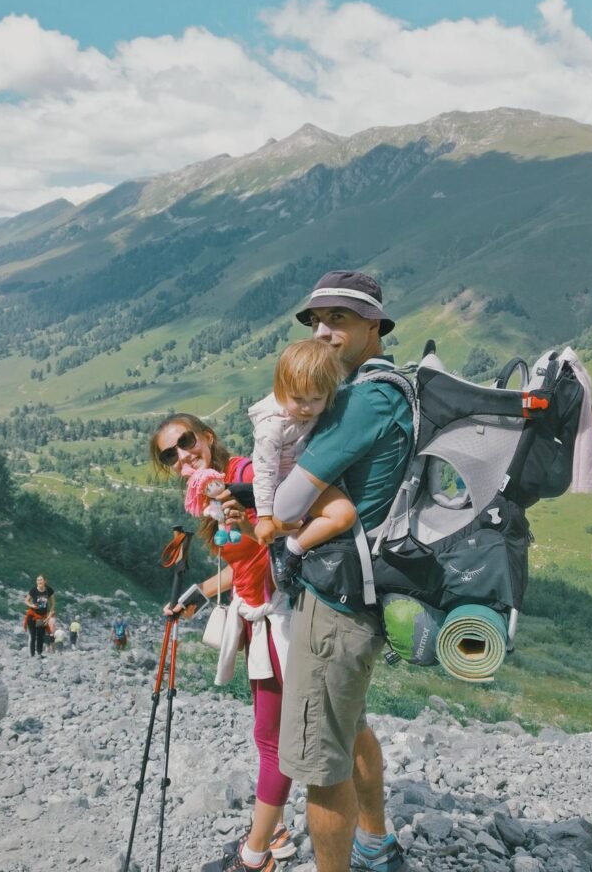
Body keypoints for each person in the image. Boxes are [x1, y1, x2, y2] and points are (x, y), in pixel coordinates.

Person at [272, 271, 415, 872]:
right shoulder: (384, 386)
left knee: (319, 762)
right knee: (349, 726)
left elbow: (284, 506)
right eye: (316, 321)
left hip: (335, 602)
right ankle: (376, 845)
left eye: (341, 320)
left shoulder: (364, 398)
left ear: (375, 325)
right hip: (362, 591)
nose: (325, 332)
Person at [149, 414, 296, 872]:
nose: (182, 456)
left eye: (186, 442)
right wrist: (195, 597)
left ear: (208, 438)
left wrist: (243, 517)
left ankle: (256, 859)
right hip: (257, 621)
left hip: (281, 619)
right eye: (170, 455)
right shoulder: (211, 495)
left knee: (273, 740)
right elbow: (242, 566)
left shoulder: (247, 477)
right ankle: (277, 831)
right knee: (272, 734)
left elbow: (286, 536)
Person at [248, 339, 357, 587]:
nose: (307, 408)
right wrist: (264, 517)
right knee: (344, 515)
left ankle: (292, 542)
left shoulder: (320, 403)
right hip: (283, 487)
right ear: (280, 391)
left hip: (306, 479)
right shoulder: (271, 429)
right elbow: (264, 472)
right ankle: (291, 549)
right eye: (298, 399)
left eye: (316, 399)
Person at [23, 574, 55, 659]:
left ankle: (39, 653)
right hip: (32, 615)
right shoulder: (33, 590)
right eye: (37, 580)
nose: (39, 582)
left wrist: (48, 617)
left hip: (42, 616)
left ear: (45, 581)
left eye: (41, 580)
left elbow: (53, 604)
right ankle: (32, 654)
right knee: (33, 635)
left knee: (41, 635)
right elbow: (26, 601)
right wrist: (32, 605)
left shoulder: (49, 590)